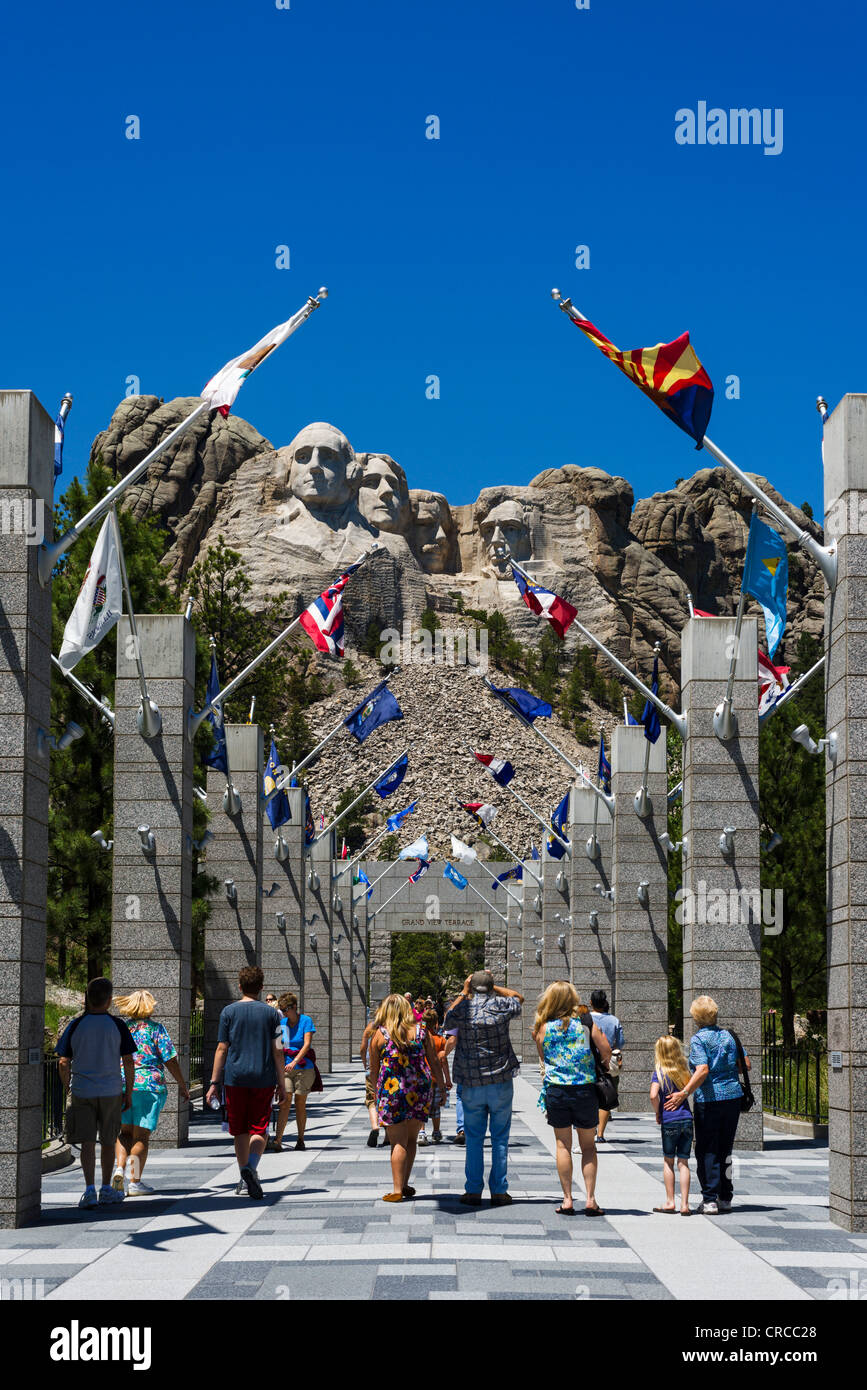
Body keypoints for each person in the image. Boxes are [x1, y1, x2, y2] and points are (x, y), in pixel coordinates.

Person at [664, 995, 751, 1215]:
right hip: (732, 1097)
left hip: (709, 1100)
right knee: (726, 1148)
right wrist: (727, 1069)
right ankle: (726, 1196)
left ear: (696, 1017)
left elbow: (702, 1070)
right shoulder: (729, 1036)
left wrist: (684, 1093)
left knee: (706, 1148)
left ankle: (710, 1198)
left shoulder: (698, 1039)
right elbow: (746, 1065)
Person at [443, 970, 523, 1206]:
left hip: (471, 1082)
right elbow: (518, 998)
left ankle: (473, 1190)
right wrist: (494, 987)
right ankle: (499, 1190)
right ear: (491, 987)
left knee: (474, 1138)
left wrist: (465, 991)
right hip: (500, 1080)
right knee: (500, 1137)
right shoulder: (501, 1004)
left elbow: (447, 1019)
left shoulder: (462, 1009)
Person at [55, 976, 136, 1209]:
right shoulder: (118, 1025)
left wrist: (68, 1084)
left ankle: (89, 1190)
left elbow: (63, 1061)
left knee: (87, 1142)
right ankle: (106, 1188)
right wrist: (127, 1091)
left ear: (87, 998)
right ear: (109, 1000)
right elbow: (128, 1061)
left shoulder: (76, 1025)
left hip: (82, 1090)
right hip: (111, 1090)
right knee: (109, 1141)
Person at [206, 966, 284, 1200]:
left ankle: (243, 1175)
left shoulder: (228, 1012)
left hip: (235, 1078)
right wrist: (282, 1081)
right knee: (260, 1128)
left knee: (239, 1129)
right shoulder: (273, 1014)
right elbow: (278, 1050)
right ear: (261, 987)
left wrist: (213, 1082)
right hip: (263, 1077)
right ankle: (251, 1166)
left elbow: (221, 1048)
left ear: (239, 986)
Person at [533, 981, 610, 1216]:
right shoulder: (585, 1024)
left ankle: (567, 1199)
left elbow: (544, 1058)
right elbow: (606, 1050)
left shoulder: (543, 1028)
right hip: (584, 1089)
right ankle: (590, 1199)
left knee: (562, 1144)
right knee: (588, 1146)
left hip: (557, 1090)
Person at [369, 994, 448, 1203]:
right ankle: (404, 1183)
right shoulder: (422, 1031)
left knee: (397, 1142)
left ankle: (397, 1189)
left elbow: (374, 1072)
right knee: (411, 1139)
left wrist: (374, 1096)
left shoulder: (380, 1035)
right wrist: (441, 1086)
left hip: (391, 1093)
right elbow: (434, 1061)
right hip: (419, 1092)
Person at [111, 990, 190, 1195]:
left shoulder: (121, 1028)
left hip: (122, 1085)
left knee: (124, 1132)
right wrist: (181, 1083)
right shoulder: (156, 1029)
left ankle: (119, 1168)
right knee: (141, 1137)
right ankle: (134, 1181)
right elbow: (169, 1059)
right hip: (149, 1087)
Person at [269, 992, 321, 1152]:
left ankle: (300, 1139)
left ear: (294, 1007)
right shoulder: (281, 1024)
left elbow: (306, 1045)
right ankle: (278, 1140)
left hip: (304, 1068)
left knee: (300, 1103)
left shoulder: (306, 1021)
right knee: (285, 1101)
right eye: (282, 1010)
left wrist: (294, 1062)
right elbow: (277, 1047)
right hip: (285, 1067)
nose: (284, 1012)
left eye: (286, 1009)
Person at [650, 1036, 693, 1216]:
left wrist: (658, 1111)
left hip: (669, 1120)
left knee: (669, 1161)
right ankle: (685, 1204)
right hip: (686, 1119)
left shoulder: (659, 1072)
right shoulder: (684, 1070)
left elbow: (653, 1095)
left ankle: (670, 1201)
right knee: (683, 1162)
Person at [589, 990, 624, 1141]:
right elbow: (620, 1042)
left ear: (591, 1002)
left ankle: (589, 1130)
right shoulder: (614, 1020)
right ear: (605, 1003)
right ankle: (600, 1134)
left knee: (589, 1097)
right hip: (607, 1062)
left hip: (588, 1061)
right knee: (605, 1096)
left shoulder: (585, 1019)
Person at [418, 1010, 450, 1145]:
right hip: (436, 1078)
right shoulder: (441, 1040)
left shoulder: (418, 1038)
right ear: (436, 1023)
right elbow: (443, 1061)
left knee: (422, 1106)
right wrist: (447, 1079)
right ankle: (436, 1131)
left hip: (421, 1077)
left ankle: (421, 1132)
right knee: (436, 1107)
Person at [359, 1003, 388, 1147]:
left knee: (371, 1099)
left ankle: (375, 1126)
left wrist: (366, 1064)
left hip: (371, 1069)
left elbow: (363, 1048)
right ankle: (388, 1136)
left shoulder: (371, 1027)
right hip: (388, 1070)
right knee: (387, 1099)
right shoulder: (391, 1028)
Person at [443, 1027, 464, 1144]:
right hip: (484, 1066)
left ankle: (462, 1129)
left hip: (464, 1064)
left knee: (461, 1096)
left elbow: (452, 1040)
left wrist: (444, 1053)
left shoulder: (460, 1015)